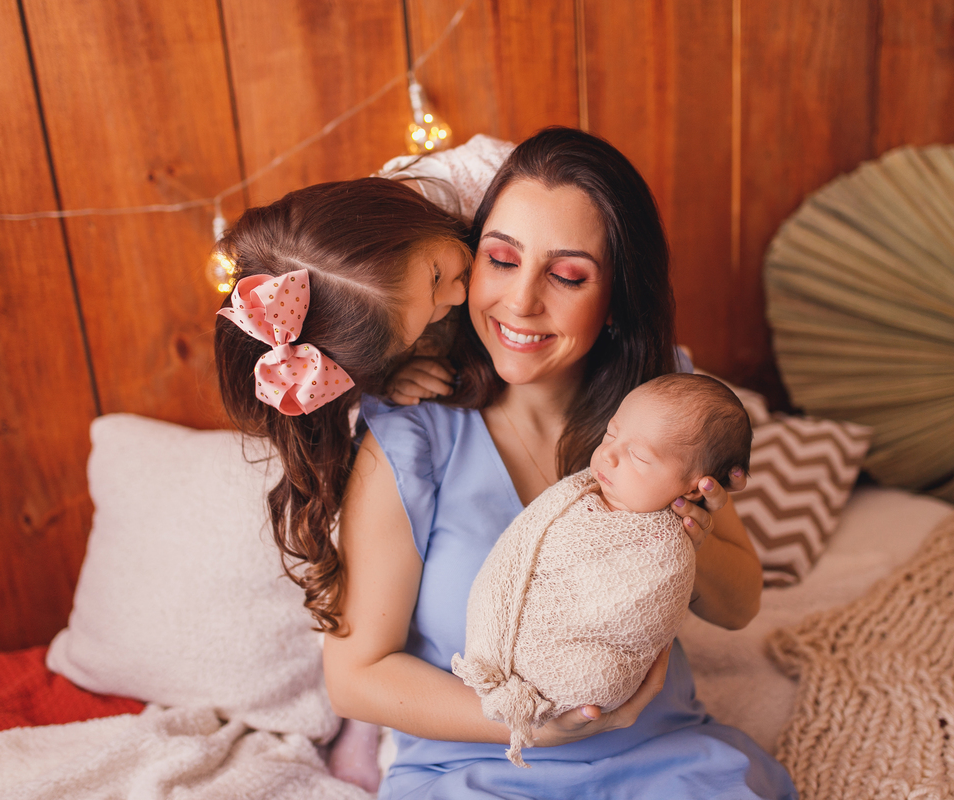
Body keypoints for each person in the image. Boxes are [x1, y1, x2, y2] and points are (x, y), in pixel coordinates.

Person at [325, 127, 797, 798]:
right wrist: (534, 729)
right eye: (501, 259)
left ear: (616, 300)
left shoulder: (661, 409)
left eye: (568, 275)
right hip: (475, 771)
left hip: (659, 758)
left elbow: (739, 607)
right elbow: (355, 677)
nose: (521, 302)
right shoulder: (411, 439)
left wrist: (697, 531)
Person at [454, 373, 753, 767]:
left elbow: (631, 615)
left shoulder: (667, 547)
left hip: (641, 727)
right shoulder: (580, 493)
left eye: (638, 457)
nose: (608, 455)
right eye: (611, 433)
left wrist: (695, 542)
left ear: (694, 489)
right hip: (479, 749)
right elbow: (522, 547)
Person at [213, 178, 470, 632]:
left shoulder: (456, 183)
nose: (459, 296)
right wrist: (384, 381)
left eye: (435, 276)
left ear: (396, 212)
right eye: (428, 319)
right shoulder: (364, 354)